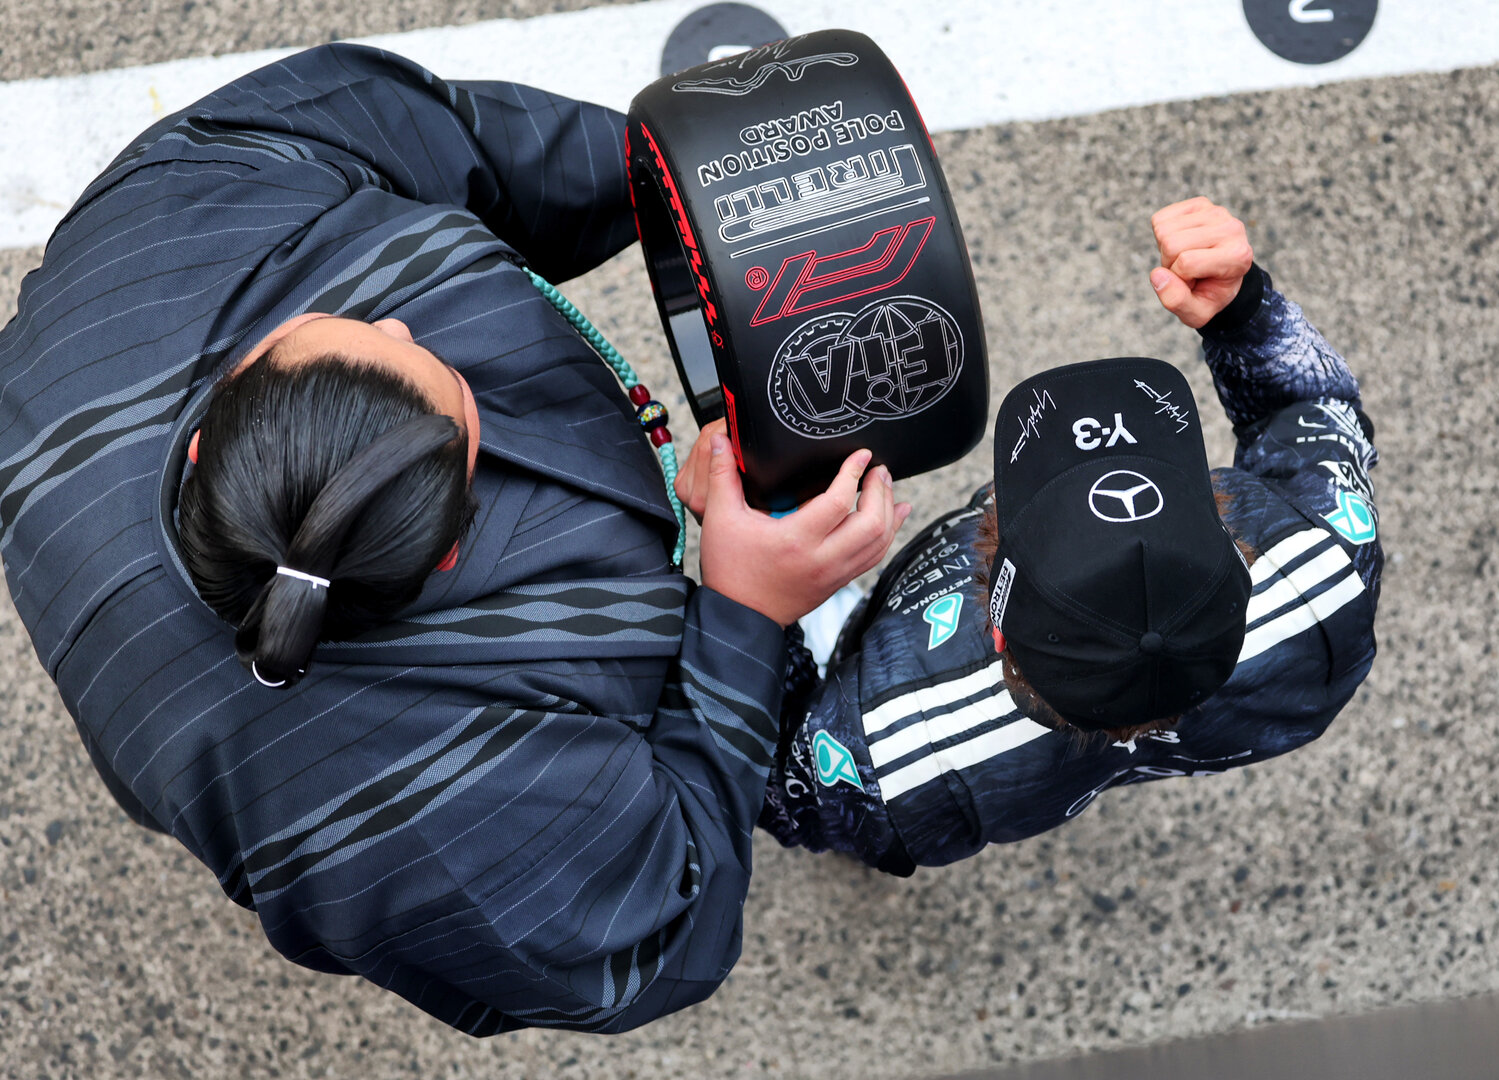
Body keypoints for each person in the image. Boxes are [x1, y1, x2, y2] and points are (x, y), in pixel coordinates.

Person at [0, 43, 907, 1034]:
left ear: (226, 411)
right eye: (435, 374)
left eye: (362, 330)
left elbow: (450, 137)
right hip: (257, 758)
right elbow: (659, 936)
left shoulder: (166, 225)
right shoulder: (428, 829)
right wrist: (743, 612)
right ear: (447, 549)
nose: (395, 324)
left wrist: (694, 183)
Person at [682, 197, 1383, 875]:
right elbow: (1316, 407)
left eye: (1027, 505)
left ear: (995, 628)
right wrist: (1244, 314)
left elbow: (782, 789)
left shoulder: (887, 749)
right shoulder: (1330, 568)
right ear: (1235, 554)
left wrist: (751, 608)